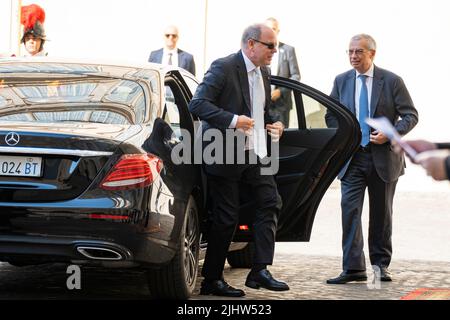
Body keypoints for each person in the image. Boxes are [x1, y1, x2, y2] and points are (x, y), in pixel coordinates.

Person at [189, 23, 288, 297]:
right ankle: (212, 280)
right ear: (251, 44)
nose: (274, 51)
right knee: (227, 217)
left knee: (271, 201)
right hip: (223, 151)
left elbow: (259, 111)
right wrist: (233, 121)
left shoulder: (264, 73)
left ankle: (260, 270)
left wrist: (273, 124)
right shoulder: (223, 67)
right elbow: (197, 104)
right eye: (270, 46)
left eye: (276, 46)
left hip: (255, 152)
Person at [325, 34, 419, 284]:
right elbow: (331, 116)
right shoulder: (341, 80)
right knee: (350, 211)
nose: (353, 56)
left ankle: (380, 267)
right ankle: (353, 268)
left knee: (381, 215)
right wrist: (345, 138)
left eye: (359, 52)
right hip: (352, 159)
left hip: (384, 159)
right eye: (350, 52)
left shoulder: (391, 80)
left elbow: (410, 115)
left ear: (372, 54)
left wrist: (389, 134)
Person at [264, 17, 300, 128]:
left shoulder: (288, 50)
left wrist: (280, 91)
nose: (271, 31)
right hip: (263, 104)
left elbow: (296, 76)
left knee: (282, 140)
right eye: (268, 28)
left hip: (282, 105)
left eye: (273, 28)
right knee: (264, 139)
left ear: (278, 31)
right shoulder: (261, 49)